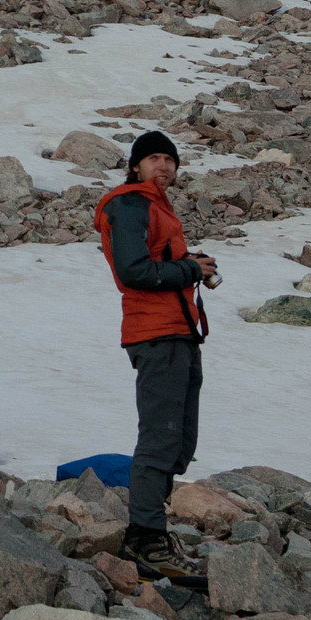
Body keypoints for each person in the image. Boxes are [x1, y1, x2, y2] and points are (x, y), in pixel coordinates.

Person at [91, 129, 218, 583]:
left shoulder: (156, 207)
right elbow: (133, 270)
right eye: (154, 159)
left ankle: (149, 535)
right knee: (160, 440)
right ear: (136, 166)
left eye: (170, 159)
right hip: (156, 333)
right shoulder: (130, 203)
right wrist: (189, 268)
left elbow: (152, 261)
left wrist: (189, 264)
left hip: (178, 333)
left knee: (180, 443)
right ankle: (146, 540)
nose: (163, 166)